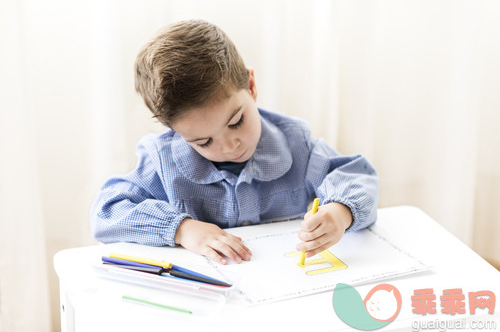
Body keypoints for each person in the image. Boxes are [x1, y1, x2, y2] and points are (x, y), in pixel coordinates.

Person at [90, 19, 379, 265]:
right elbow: (106, 211)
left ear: (251, 87)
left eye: (236, 122)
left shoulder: (295, 144)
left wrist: (340, 212)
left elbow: (357, 176)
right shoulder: (164, 161)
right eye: (203, 141)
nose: (230, 146)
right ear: (176, 131)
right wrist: (181, 229)